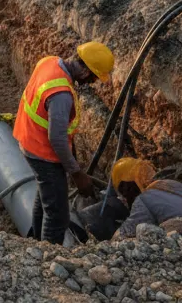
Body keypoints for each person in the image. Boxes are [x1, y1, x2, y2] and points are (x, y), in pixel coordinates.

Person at [14, 41, 115, 244]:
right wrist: (77, 173)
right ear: (86, 73)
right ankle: (49, 259)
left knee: (46, 199)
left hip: (29, 139)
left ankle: (35, 242)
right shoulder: (61, 95)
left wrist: (72, 159)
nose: (92, 83)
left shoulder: (49, 62)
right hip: (42, 152)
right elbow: (57, 138)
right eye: (94, 78)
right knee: (58, 215)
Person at [111, 158, 182, 238]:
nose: (124, 195)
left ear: (129, 185)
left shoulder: (143, 199)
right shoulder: (173, 184)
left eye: (123, 190)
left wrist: (113, 238)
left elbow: (127, 231)